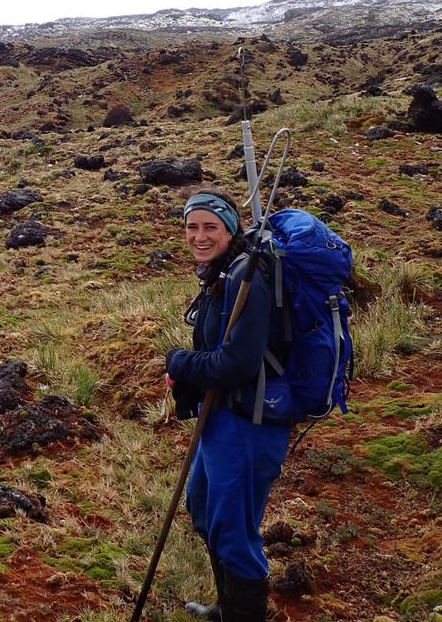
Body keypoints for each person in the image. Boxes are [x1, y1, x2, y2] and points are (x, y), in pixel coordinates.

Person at [165, 189, 292, 622]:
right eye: (191, 226)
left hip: (249, 420)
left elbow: (238, 362)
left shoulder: (246, 277)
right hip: (221, 415)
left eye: (210, 227)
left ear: (231, 229)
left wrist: (179, 362)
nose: (199, 236)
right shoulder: (223, 272)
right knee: (203, 507)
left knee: (234, 530)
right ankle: (228, 608)